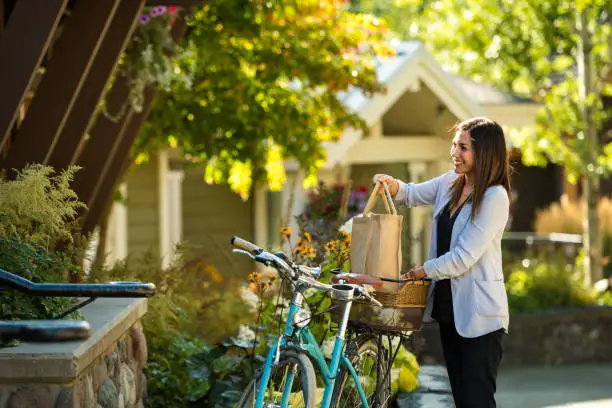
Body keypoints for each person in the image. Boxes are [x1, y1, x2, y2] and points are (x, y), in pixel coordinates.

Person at [373, 117, 511, 408]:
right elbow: (410, 193)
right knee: (462, 400)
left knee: (477, 401)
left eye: (463, 147)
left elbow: (462, 258)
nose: (454, 153)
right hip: (450, 311)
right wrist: (391, 184)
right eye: (453, 144)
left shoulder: (494, 197)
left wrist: (421, 271)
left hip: (480, 317)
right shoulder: (450, 182)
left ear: (484, 153)